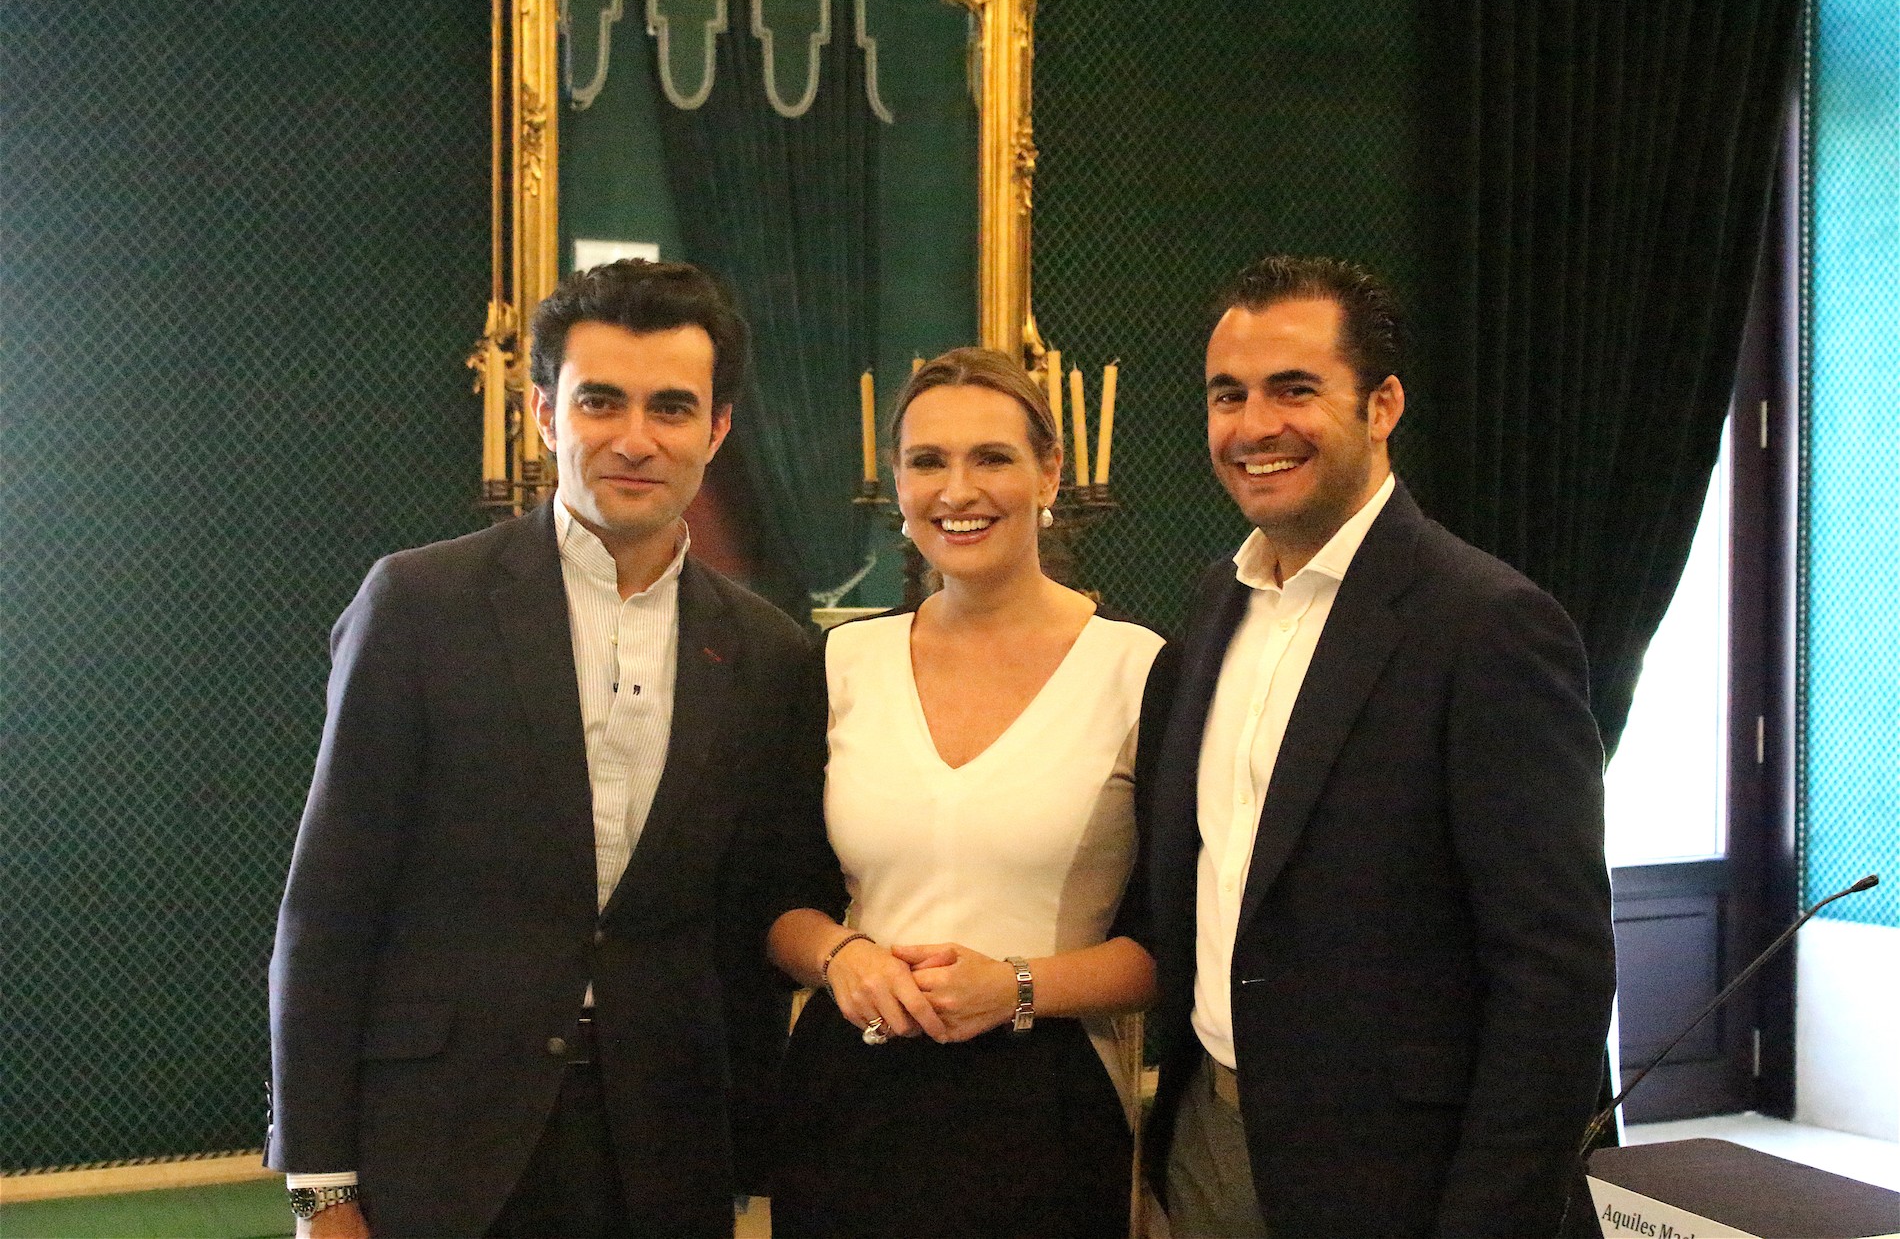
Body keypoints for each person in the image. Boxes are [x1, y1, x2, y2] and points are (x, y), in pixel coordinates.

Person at [266, 259, 827, 1238]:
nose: (635, 439)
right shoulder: (417, 606)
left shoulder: (770, 653)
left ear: (716, 429)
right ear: (543, 413)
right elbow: (329, 906)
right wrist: (321, 1185)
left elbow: (748, 923)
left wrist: (747, 1157)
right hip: (437, 1142)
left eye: (671, 407)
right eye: (600, 401)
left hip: (664, 1149)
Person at [1137, 255, 1617, 1237]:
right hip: (1209, 1140)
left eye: (1294, 389)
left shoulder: (1487, 624)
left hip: (1395, 1180)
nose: (1253, 426)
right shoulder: (1216, 604)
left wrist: (1489, 1217)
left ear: (1382, 405)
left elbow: (1554, 972)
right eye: (1228, 395)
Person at [766, 348, 1164, 1239]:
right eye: (928, 461)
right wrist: (841, 954)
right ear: (898, 483)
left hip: (1047, 1112)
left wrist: (1015, 986)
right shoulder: (839, 662)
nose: (958, 490)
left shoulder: (1140, 670)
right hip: (850, 1103)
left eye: (991, 457)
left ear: (1048, 472)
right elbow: (780, 901)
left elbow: (1167, 946)